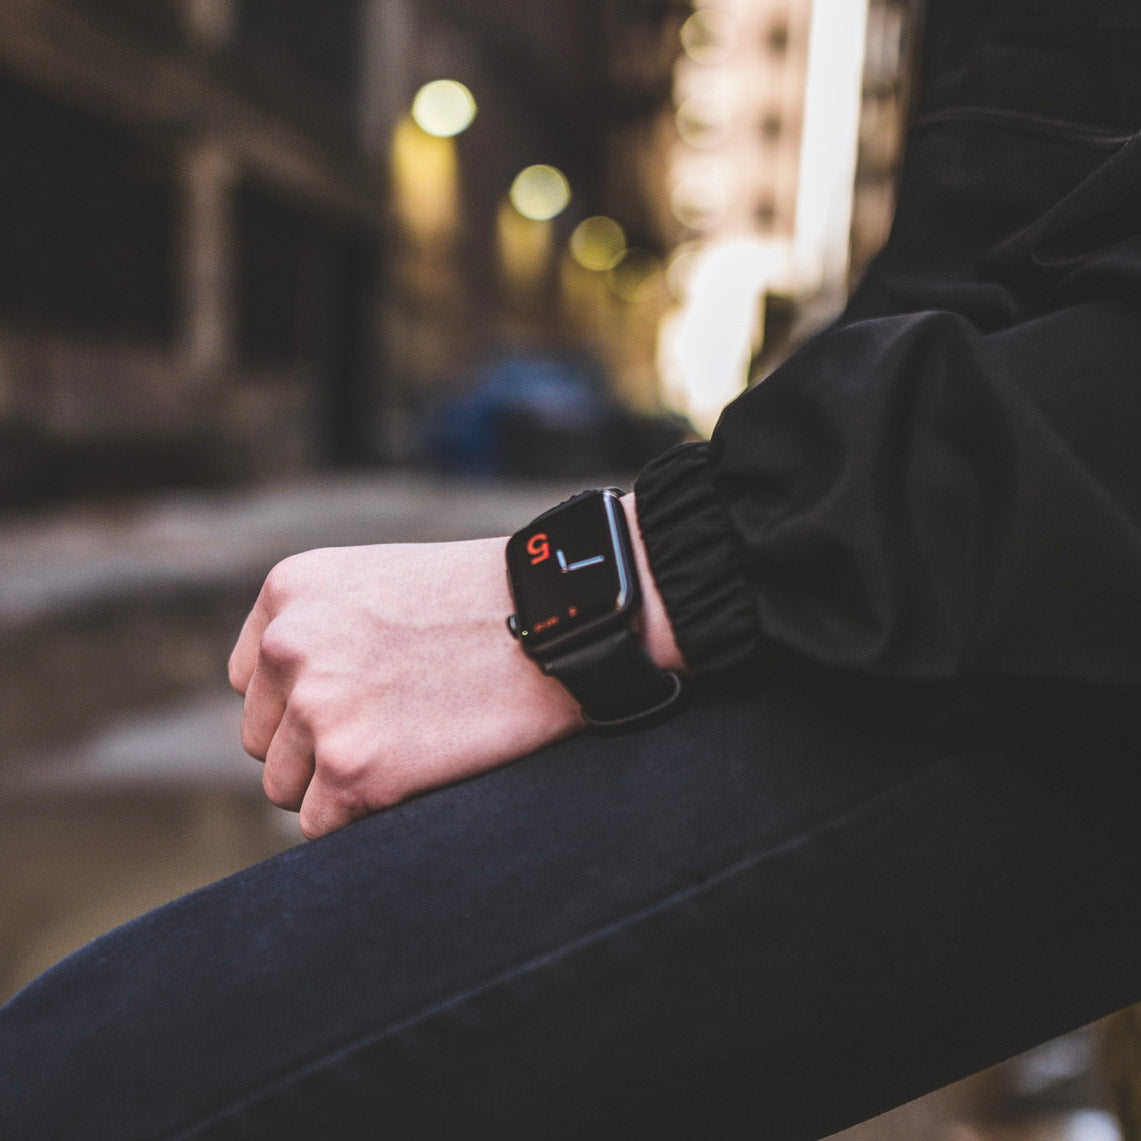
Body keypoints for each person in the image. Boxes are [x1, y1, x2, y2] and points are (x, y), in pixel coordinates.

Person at [3, 0, 1141, 1137]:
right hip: (957, 559)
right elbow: (987, 231)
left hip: (1067, 634)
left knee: (98, 1081)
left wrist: (647, 574)